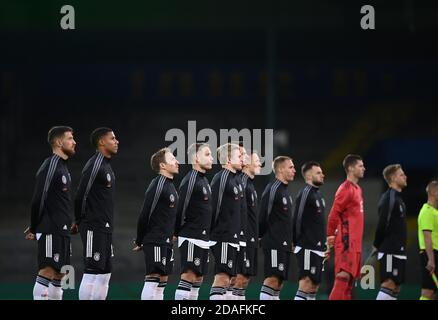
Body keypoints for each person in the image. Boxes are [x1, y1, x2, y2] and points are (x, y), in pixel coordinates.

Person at [25, 126, 76, 300]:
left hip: (62, 229)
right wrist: (34, 226)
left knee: (61, 274)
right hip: (50, 228)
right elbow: (39, 198)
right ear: (59, 142)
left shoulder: (64, 168)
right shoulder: (51, 164)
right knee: (47, 270)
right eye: (70, 138)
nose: (74, 142)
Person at [73, 128, 119, 300]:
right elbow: (80, 194)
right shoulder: (95, 164)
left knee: (105, 272)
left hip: (105, 227)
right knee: (93, 270)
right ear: (101, 142)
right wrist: (79, 220)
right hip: (93, 225)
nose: (117, 141)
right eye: (112, 138)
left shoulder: (106, 165)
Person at [133, 148, 179, 300]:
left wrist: (172, 232)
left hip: (166, 240)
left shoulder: (171, 186)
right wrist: (140, 240)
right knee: (153, 278)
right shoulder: (158, 184)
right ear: (163, 165)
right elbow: (145, 213)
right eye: (172, 159)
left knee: (163, 281)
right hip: (155, 239)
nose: (177, 162)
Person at [174, 143, 214, 300]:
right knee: (189, 276)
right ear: (196, 158)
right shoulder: (190, 180)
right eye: (207, 154)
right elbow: (180, 208)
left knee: (198, 279)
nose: (211, 158)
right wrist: (175, 231)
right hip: (191, 236)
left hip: (203, 238)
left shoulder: (204, 181)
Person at [326, 154, 365, 300]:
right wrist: (330, 236)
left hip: (355, 244)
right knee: (343, 276)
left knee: (349, 283)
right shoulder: (345, 189)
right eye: (360, 166)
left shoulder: (358, 189)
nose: (364, 168)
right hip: (346, 241)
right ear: (350, 168)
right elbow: (333, 214)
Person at [208, 143, 243, 300]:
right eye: (239, 156)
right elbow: (213, 208)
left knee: (231, 279)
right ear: (229, 159)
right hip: (223, 236)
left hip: (232, 237)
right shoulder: (221, 178)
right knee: (222, 278)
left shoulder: (235, 180)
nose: (242, 159)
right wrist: (214, 232)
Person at [259, 156, 296, 300]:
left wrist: (291, 240)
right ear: (280, 169)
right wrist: (260, 235)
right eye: (290, 167)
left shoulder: (285, 191)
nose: (294, 170)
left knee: (279, 283)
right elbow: (263, 215)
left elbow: (285, 220)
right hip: (274, 242)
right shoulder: (273, 188)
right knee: (272, 279)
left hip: (284, 243)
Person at [292, 161, 327, 300]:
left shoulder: (318, 195)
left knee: (314, 286)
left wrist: (324, 245)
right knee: (306, 283)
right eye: (318, 173)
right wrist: (295, 241)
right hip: (307, 246)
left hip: (318, 248)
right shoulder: (305, 193)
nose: (322, 175)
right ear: (308, 176)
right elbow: (297, 218)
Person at [373, 164, 407, 300]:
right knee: (389, 284)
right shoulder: (389, 198)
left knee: (396, 287)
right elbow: (382, 224)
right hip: (390, 250)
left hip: (399, 250)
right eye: (401, 174)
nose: (405, 176)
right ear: (393, 178)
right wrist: (377, 244)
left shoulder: (398, 199)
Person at [230, 151, 262, 300]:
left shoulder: (249, 183)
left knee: (245, 280)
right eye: (257, 160)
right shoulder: (241, 182)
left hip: (251, 238)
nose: (260, 163)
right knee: (238, 279)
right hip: (243, 238)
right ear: (247, 163)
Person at [418, 181, 438, 300]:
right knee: (427, 292)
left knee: (431, 292)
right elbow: (427, 237)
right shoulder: (427, 211)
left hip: (434, 254)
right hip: (431, 255)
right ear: (435, 192)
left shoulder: (435, 212)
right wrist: (431, 260)